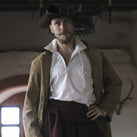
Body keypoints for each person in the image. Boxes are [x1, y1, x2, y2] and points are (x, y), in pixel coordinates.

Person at [23, 4, 122, 137]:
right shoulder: (40, 62)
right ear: (51, 28)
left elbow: (114, 83)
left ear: (73, 25)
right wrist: (33, 134)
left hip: (87, 120)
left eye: (67, 21)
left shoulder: (94, 56)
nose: (63, 27)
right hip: (55, 122)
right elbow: (30, 102)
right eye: (57, 23)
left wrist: (104, 108)